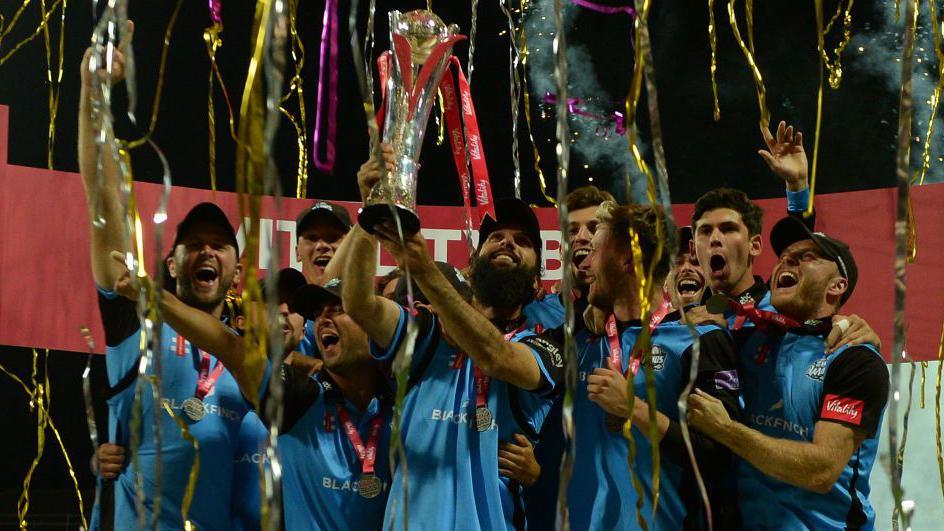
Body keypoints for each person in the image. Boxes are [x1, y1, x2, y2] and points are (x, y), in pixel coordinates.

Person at [79, 24, 256, 528]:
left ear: (236, 270)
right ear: (172, 263)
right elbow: (104, 204)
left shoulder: (248, 356)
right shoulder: (136, 325)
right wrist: (94, 95)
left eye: (219, 245)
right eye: (193, 244)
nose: (206, 250)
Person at [342, 197, 564, 530]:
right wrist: (370, 214)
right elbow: (359, 303)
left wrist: (424, 270)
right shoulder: (427, 335)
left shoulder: (544, 347)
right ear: (473, 266)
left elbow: (495, 357)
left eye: (523, 241)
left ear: (536, 281)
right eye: (495, 237)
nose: (507, 242)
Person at [688, 216, 889, 530]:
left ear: (837, 286)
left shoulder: (855, 361)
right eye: (783, 258)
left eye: (807, 257)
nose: (787, 261)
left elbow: (821, 471)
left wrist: (726, 430)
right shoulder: (752, 340)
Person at [570, 202, 741, 530]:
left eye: (595, 250)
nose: (585, 263)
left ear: (626, 260)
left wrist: (633, 408)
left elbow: (720, 456)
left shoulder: (699, 339)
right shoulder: (586, 336)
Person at [666, 226, 705, 310]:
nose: (686, 268)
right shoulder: (644, 322)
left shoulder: (735, 320)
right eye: (677, 262)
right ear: (664, 282)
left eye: (697, 262)